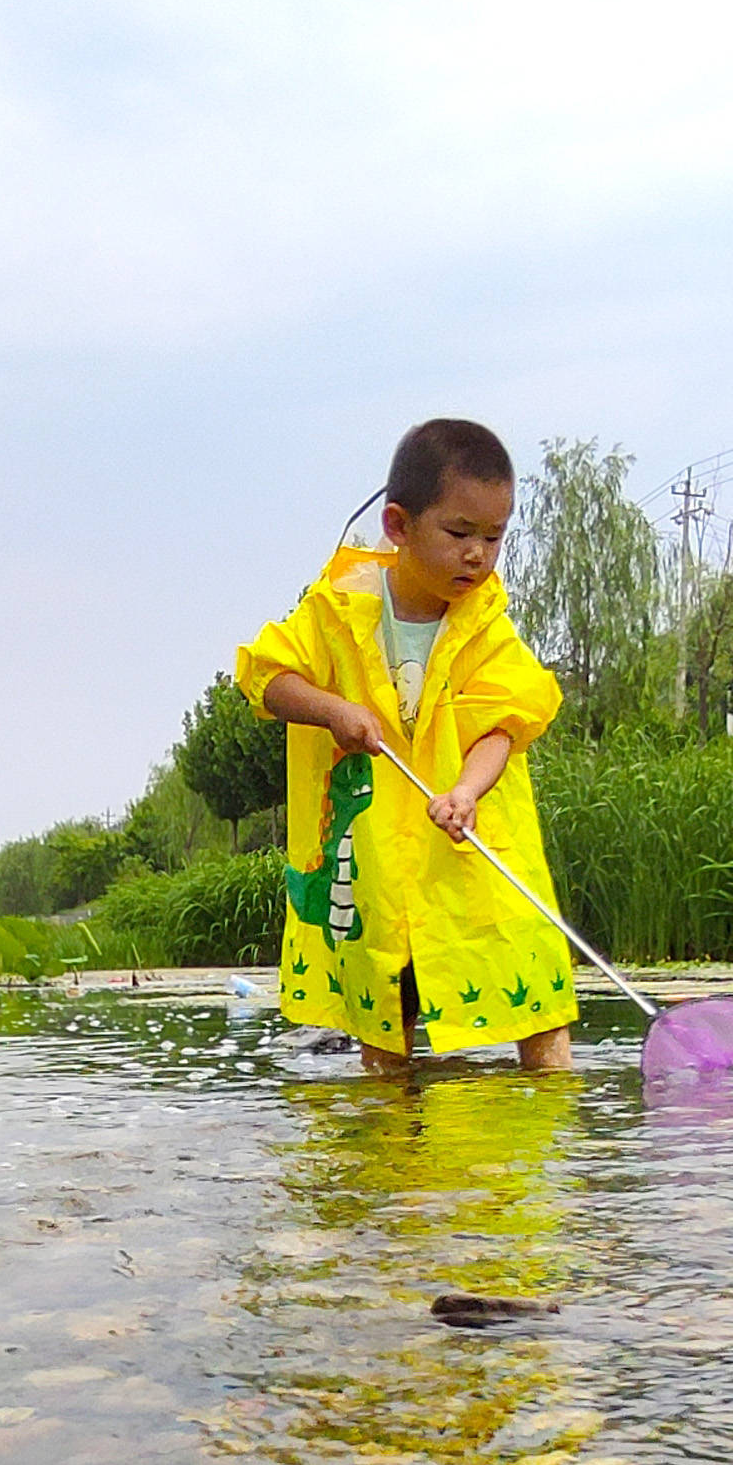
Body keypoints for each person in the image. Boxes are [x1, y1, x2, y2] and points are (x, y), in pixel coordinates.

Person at [235, 418, 577, 1076]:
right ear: (398, 526)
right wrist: (333, 710)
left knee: (536, 1008)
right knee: (387, 1028)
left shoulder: (485, 624)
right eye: (458, 534)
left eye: (494, 537)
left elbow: (502, 725)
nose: (477, 555)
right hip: (379, 866)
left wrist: (466, 792)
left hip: (472, 855)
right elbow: (266, 677)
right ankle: (395, 1167)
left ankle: (545, 1159)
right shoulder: (338, 609)